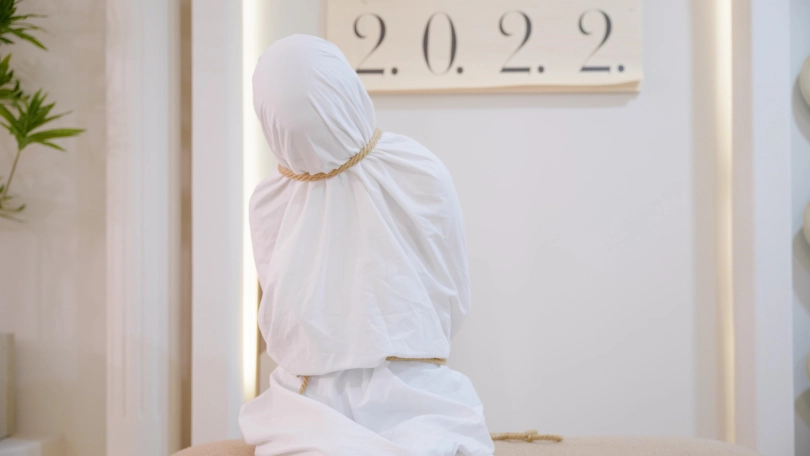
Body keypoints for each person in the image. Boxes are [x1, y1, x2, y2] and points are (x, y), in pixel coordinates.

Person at [239, 34, 494, 456]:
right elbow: (452, 292)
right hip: (311, 392)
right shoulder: (271, 198)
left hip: (402, 385)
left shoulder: (416, 170)